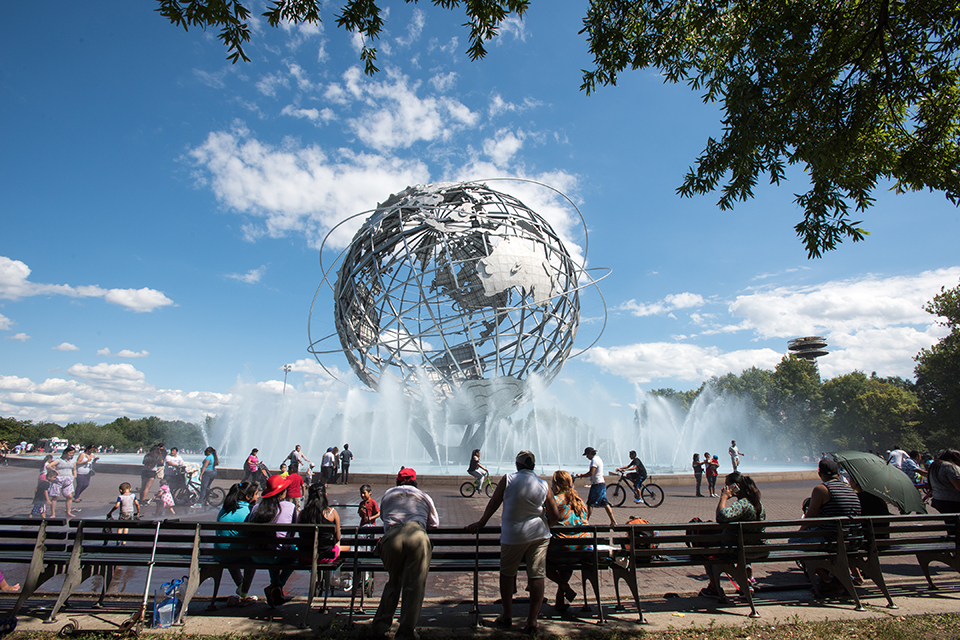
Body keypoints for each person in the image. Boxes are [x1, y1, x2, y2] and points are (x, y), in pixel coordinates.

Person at [467, 451, 560, 633]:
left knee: (508, 574)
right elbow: (555, 515)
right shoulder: (543, 484)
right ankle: (532, 621)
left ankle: (507, 615)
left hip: (513, 535)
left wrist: (481, 522)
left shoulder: (507, 479)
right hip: (539, 536)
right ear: (532, 465)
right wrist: (545, 526)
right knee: (537, 575)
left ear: (517, 465)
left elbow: (493, 503)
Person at [371, 467, 439, 640]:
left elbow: (384, 517)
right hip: (416, 536)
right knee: (414, 586)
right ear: (415, 481)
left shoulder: (388, 494)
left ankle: (380, 627)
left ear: (397, 481)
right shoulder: (423, 496)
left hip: (392, 539)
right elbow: (435, 523)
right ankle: (406, 632)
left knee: (394, 581)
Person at [797, 458, 861, 592]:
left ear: (820, 474)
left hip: (832, 539)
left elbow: (811, 518)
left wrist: (799, 532)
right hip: (852, 540)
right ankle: (837, 575)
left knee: (795, 543)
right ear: (838, 474)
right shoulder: (850, 490)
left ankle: (827, 580)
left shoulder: (821, 490)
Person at [699, 472, 766, 600]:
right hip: (758, 548)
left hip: (739, 550)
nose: (725, 489)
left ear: (737, 486)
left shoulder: (743, 504)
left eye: (727, 486)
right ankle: (746, 585)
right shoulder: (757, 503)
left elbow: (721, 517)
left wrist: (723, 497)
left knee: (707, 548)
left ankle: (714, 587)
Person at [249, 474, 299, 607]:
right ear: (282, 493)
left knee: (272, 548)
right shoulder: (290, 507)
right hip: (277, 555)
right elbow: (292, 534)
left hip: (256, 556)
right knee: (293, 551)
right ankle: (277, 585)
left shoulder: (256, 508)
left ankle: (275, 586)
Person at [546, 470, 589, 612]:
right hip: (579, 551)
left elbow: (544, 521)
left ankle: (563, 586)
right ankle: (560, 598)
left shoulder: (554, 501)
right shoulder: (580, 502)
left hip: (559, 551)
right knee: (569, 552)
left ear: (556, 484)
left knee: (536, 559)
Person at [216, 481, 260, 606]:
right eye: (256, 494)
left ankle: (241, 585)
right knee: (251, 556)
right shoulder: (250, 511)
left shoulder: (225, 509)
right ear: (248, 497)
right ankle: (244, 592)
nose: (258, 497)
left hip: (220, 554)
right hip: (239, 555)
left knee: (229, 548)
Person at [298, 482, 341, 568]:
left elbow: (300, 535)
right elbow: (338, 538)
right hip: (325, 556)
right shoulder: (332, 512)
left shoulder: (302, 513)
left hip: (305, 556)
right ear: (325, 495)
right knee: (346, 547)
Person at [575, 447, 616, 526]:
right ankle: (613, 521)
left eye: (587, 455)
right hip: (601, 483)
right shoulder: (598, 459)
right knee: (605, 503)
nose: (587, 457)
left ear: (590, 453)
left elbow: (591, 473)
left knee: (590, 503)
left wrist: (581, 475)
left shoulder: (594, 461)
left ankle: (585, 521)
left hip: (597, 485)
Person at [46, 447, 78, 518]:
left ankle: (68, 512)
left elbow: (74, 469)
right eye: (70, 453)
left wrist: (74, 476)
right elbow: (48, 466)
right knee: (55, 497)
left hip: (68, 479)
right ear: (66, 453)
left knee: (69, 496)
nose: (71, 455)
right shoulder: (59, 460)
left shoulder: (73, 461)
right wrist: (55, 471)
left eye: (73, 453)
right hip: (59, 479)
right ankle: (53, 514)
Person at [928, 448, 960, 514]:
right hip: (952, 501)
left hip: (938, 500)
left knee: (950, 522)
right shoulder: (949, 467)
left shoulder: (935, 465)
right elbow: (959, 486)